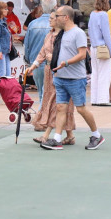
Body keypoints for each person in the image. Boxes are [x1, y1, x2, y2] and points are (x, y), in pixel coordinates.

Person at [40, 6, 105, 151]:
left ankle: (96, 135)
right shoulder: (61, 33)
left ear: (66, 17)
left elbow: (82, 54)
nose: (55, 18)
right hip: (60, 77)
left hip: (76, 78)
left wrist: (66, 63)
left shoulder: (78, 33)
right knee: (60, 107)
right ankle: (57, 139)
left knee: (81, 109)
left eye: (57, 16)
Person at [27, 13, 77, 145]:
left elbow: (69, 53)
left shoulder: (66, 36)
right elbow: (42, 53)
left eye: (51, 18)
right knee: (52, 100)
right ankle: (70, 135)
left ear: (58, 20)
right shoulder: (49, 35)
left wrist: (54, 57)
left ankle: (46, 135)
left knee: (57, 103)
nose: (49, 20)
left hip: (61, 73)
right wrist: (33, 66)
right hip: (49, 72)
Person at [25, 0, 58, 106]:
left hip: (36, 62)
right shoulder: (57, 25)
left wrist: (28, 60)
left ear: (42, 8)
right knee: (51, 93)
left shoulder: (33, 24)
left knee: (41, 93)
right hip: (52, 62)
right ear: (54, 7)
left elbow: (27, 45)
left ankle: (43, 115)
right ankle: (44, 116)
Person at [88, 0, 111, 106]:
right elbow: (106, 34)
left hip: (93, 47)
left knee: (95, 74)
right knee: (104, 74)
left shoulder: (92, 14)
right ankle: (103, 99)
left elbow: (89, 30)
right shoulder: (104, 15)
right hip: (102, 47)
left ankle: (94, 98)